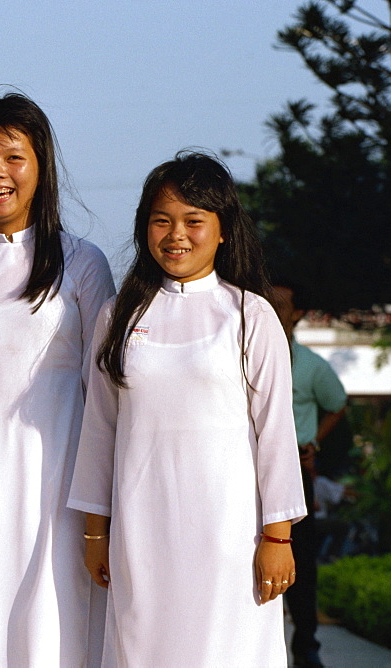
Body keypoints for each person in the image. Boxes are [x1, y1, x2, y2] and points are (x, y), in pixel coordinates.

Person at [68, 152, 307, 666]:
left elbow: (276, 432)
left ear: (222, 231)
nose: (176, 234)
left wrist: (277, 535)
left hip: (230, 536)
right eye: (161, 220)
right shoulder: (121, 317)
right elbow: (99, 430)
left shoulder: (249, 315)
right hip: (141, 532)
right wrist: (95, 531)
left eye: (193, 221)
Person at [0, 92, 115, 667]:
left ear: (41, 165)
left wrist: (104, 498)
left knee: (55, 619)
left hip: (58, 475)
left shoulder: (82, 263)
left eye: (13, 156)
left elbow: (104, 391)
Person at [273, 279, 348, 668]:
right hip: (247, 469)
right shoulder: (241, 352)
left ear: (298, 313)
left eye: (281, 304)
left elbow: (338, 403)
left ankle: (306, 649)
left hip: (294, 473)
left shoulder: (311, 366)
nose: (272, 307)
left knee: (300, 562)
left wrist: (313, 443)